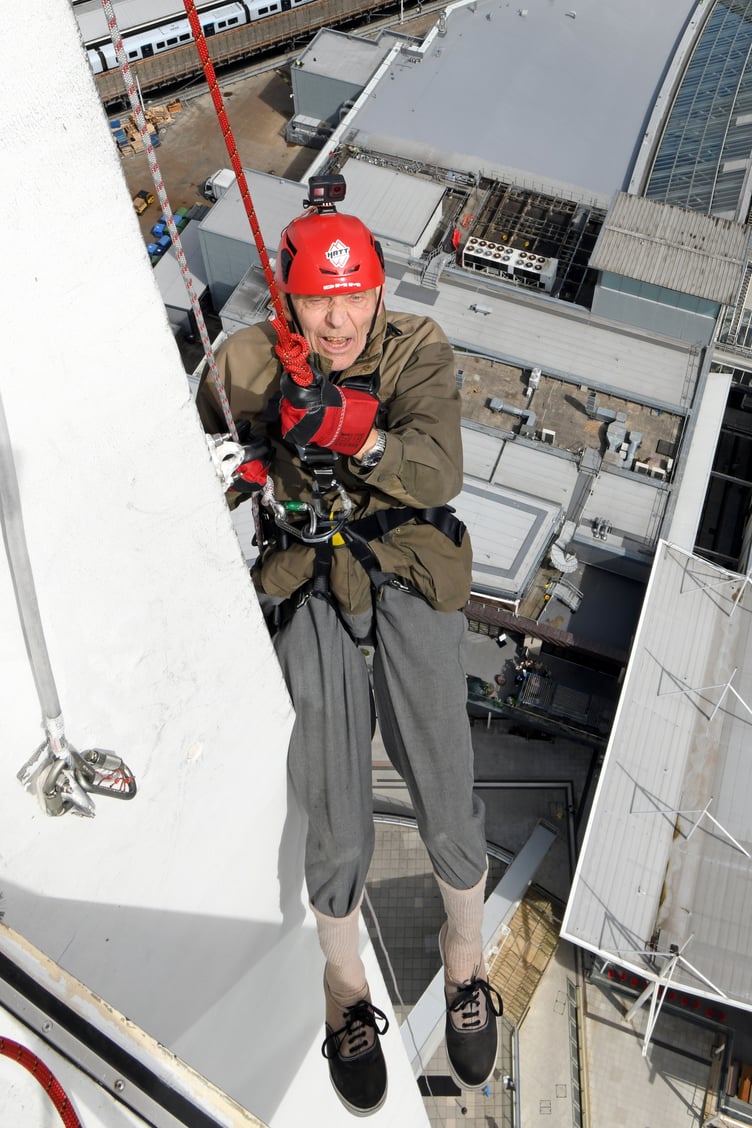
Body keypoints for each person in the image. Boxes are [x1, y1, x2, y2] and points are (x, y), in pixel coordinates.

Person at [197, 178, 502, 1117]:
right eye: (320, 298)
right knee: (333, 791)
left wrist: (347, 428)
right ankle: (344, 986)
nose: (338, 318)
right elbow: (199, 445)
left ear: (378, 291)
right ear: (291, 296)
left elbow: (438, 464)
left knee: (443, 773)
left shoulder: (416, 350)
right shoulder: (251, 359)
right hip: (306, 569)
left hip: (404, 558)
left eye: (355, 295)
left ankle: (464, 954)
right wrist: (242, 455)